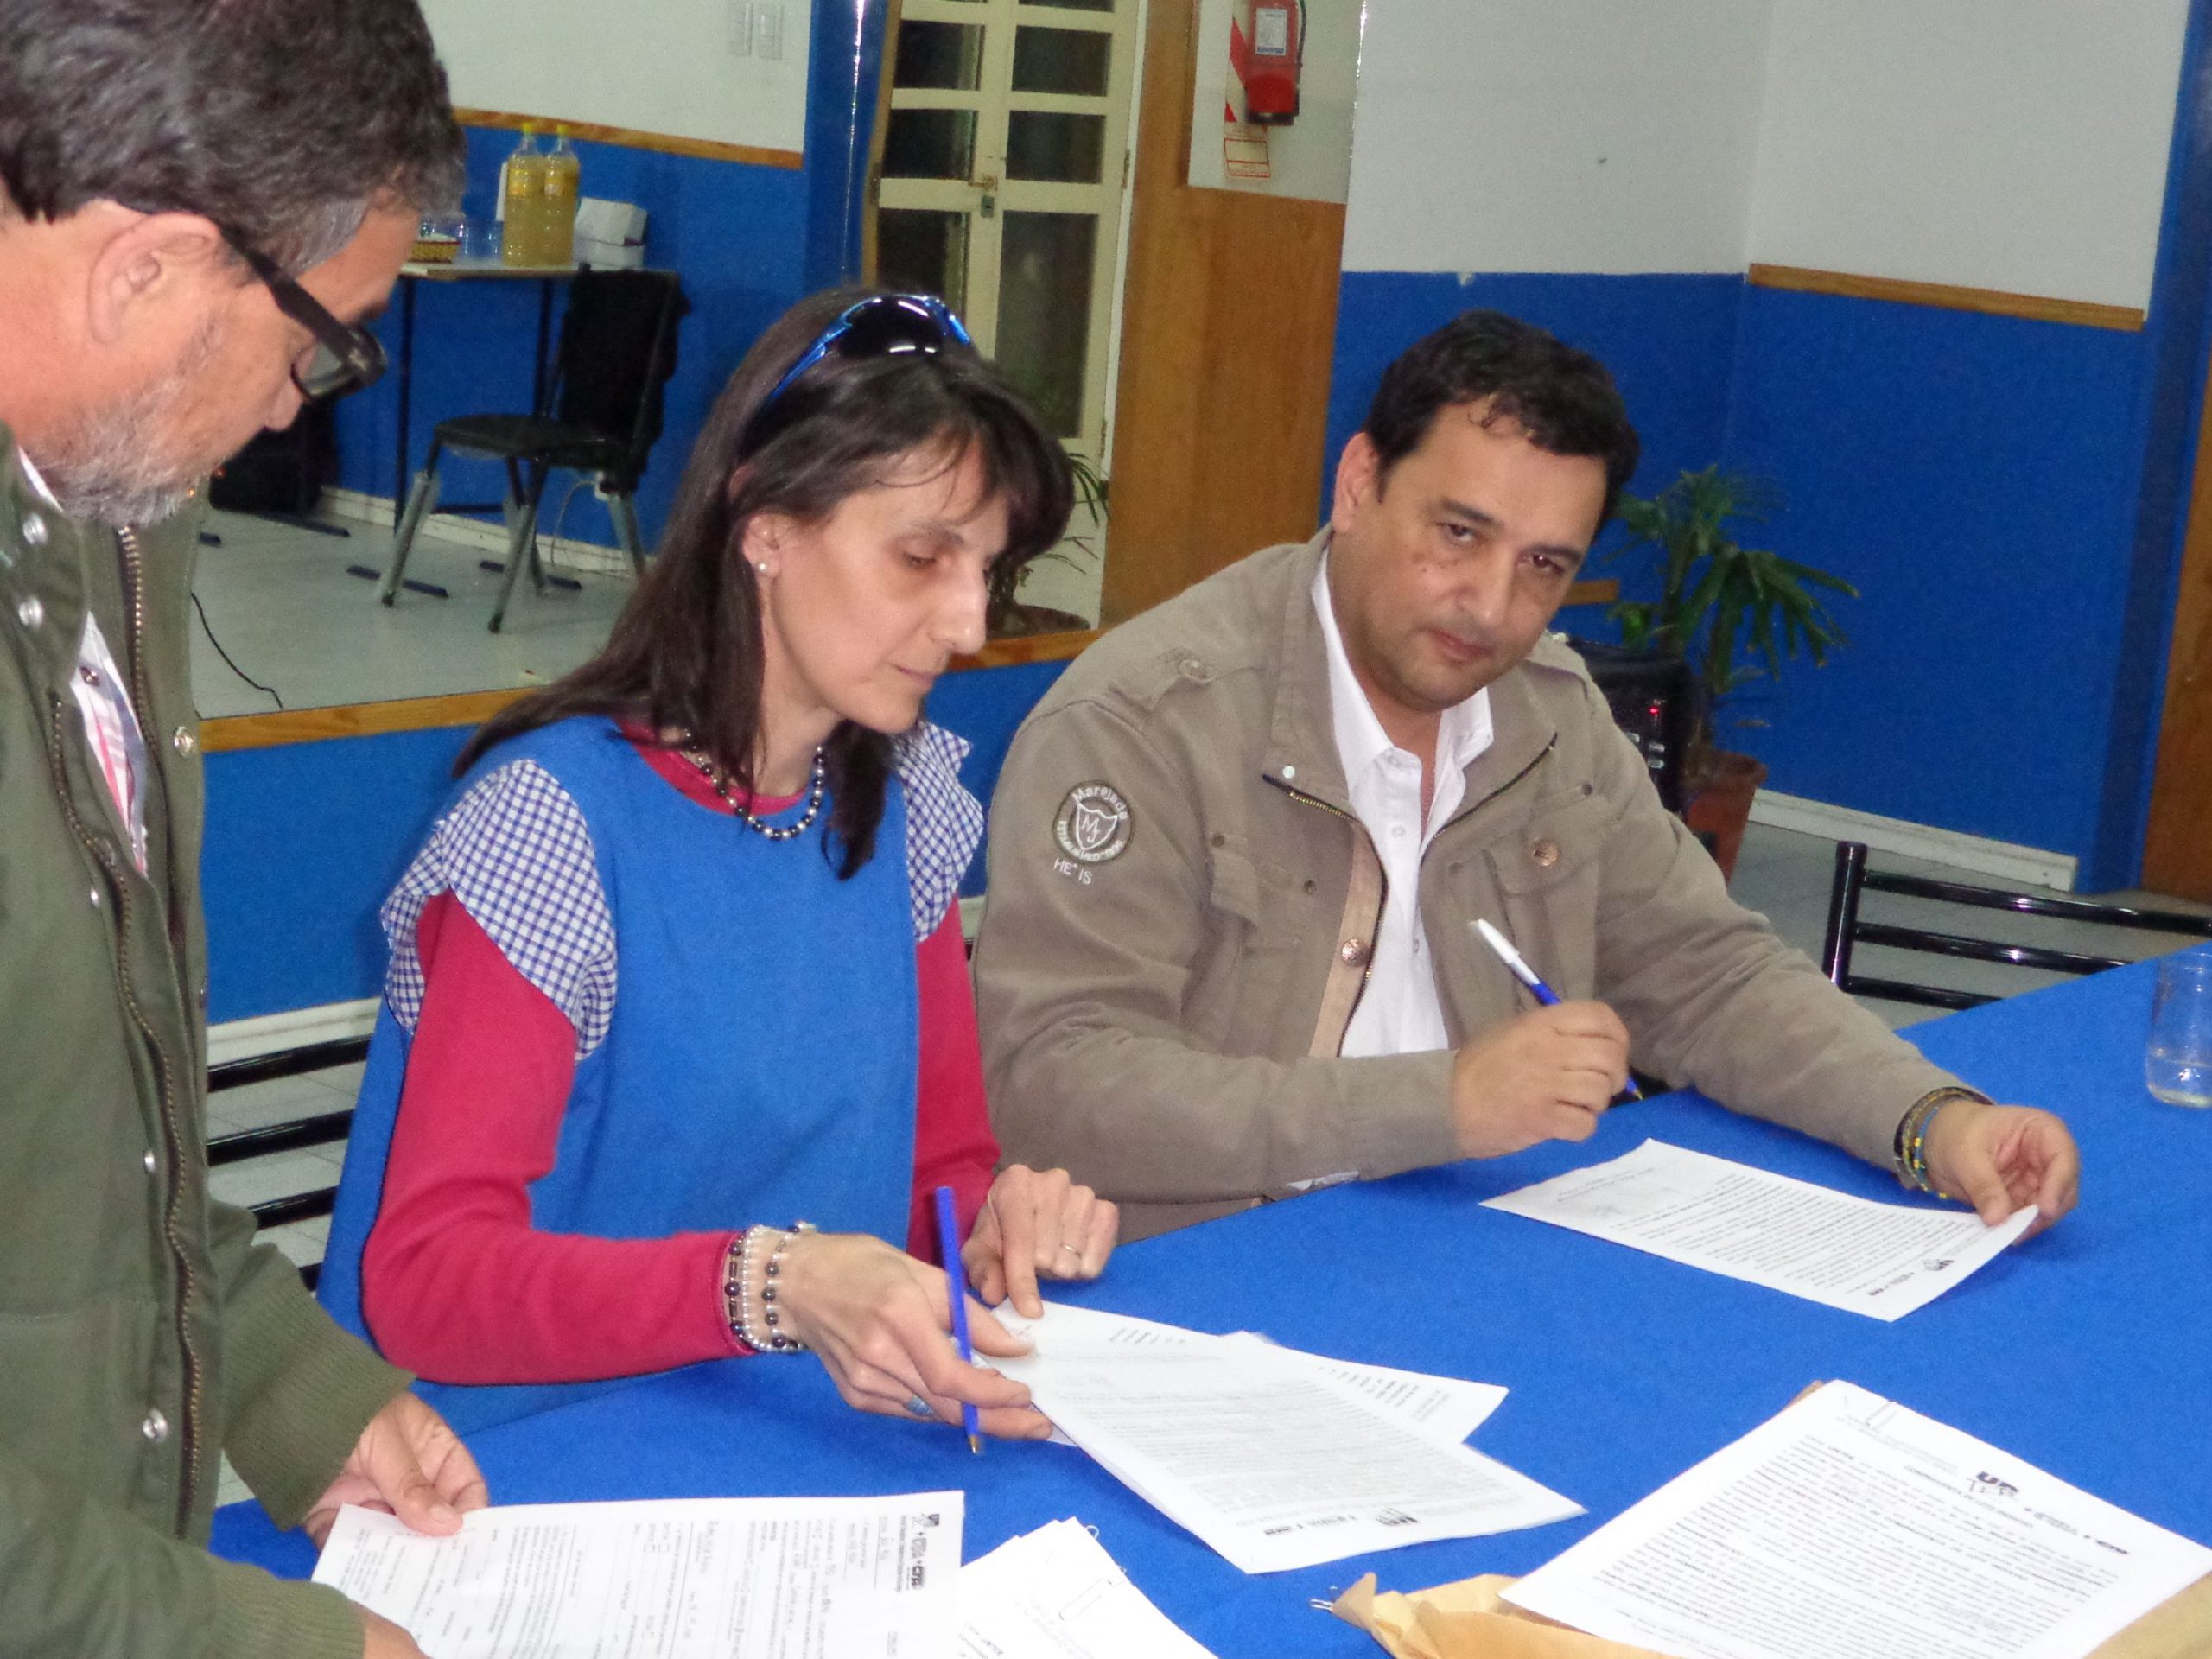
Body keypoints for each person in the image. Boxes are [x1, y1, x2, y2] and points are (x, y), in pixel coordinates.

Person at [972, 308, 2082, 1243]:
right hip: (1223, 1266)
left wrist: (1931, 1120)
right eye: (1458, 533)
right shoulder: (1143, 721)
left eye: (1543, 566)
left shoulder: (1545, 712)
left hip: (1488, 1238)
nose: (1493, 606)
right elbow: (1058, 1087)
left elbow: (1705, 973)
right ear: (1358, 484)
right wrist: (1438, 1104)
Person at [319, 289, 1121, 1440]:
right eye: (919, 557)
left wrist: (991, 1224)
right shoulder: (551, 827)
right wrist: (773, 1286)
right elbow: (426, 1284)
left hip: (780, 1433)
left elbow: (934, 1171)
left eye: (984, 569)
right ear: (765, 525)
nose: (967, 626)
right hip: (512, 1466)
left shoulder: (902, 812)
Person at [0, 3, 488, 1657]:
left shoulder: (105, 521)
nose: (300, 410)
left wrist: (293, 1389)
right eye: (319, 345)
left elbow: (80, 1120)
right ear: (143, 270)